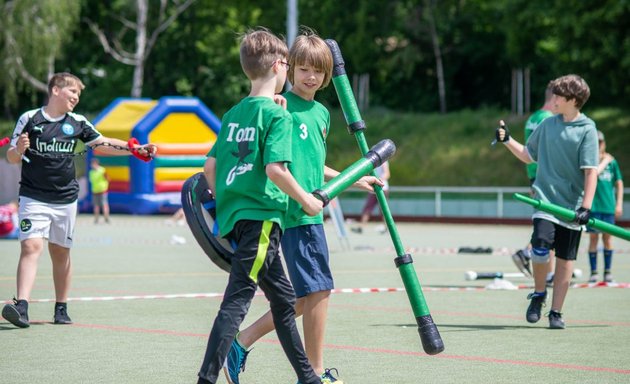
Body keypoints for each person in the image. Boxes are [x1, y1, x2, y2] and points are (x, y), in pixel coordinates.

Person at [223, 28, 382, 384]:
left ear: (328, 76)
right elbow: (279, 163)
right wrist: (304, 200)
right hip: (296, 212)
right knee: (319, 291)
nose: (311, 77)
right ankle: (314, 373)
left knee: (304, 295)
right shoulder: (282, 107)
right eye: (304, 69)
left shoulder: (322, 114)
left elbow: (313, 163)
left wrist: (354, 179)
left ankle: (241, 341)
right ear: (290, 68)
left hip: (314, 210)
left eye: (319, 71)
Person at [197, 28, 325, 384]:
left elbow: (210, 168)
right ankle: (206, 379)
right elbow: (275, 169)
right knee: (237, 303)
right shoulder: (278, 116)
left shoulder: (233, 114)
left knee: (284, 301)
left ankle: (308, 377)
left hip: (235, 218)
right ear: (282, 65)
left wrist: (229, 203)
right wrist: (308, 201)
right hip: (264, 218)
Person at [1, 72, 156, 329]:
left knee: (60, 252)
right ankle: (22, 307)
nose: (76, 97)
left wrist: (134, 148)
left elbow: (102, 143)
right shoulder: (29, 118)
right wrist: (19, 149)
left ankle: (61, 307)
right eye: (72, 92)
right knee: (31, 247)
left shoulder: (78, 122)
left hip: (65, 200)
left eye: (78, 94)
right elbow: (10, 157)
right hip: (33, 197)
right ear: (55, 90)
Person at [495, 74, 598, 329]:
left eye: (558, 96)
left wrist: (585, 207)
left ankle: (556, 312)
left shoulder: (587, 130)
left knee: (565, 260)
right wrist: (507, 140)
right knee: (540, 246)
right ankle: (539, 294)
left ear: (573, 100)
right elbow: (529, 156)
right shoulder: (547, 124)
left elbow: (590, 172)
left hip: (572, 207)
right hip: (545, 203)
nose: (552, 100)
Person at [511, 83, 556, 284]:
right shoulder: (549, 119)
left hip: (533, 174)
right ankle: (528, 253)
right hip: (546, 174)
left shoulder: (533, 117)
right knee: (552, 220)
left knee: (548, 219)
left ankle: (549, 272)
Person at [586, 130, 624, 283]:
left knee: (608, 239)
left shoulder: (612, 162)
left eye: (601, 142)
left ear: (604, 143)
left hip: (608, 206)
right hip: (593, 206)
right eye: (596, 142)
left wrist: (619, 203)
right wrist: (604, 161)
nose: (599, 145)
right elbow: (593, 175)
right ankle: (593, 272)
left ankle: (607, 271)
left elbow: (619, 183)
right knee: (593, 239)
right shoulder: (589, 160)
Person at [351, 160, 390, 234]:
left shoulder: (384, 161)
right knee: (367, 208)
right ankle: (361, 228)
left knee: (383, 210)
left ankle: (387, 228)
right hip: (373, 189)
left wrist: (378, 180)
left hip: (382, 189)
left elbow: (387, 174)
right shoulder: (372, 162)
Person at [88, 157, 110, 224]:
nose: (92, 165)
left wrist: (105, 186)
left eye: (93, 163)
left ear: (96, 163)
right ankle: (96, 219)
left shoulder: (102, 170)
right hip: (95, 191)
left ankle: (106, 218)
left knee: (104, 205)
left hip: (103, 190)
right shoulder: (91, 172)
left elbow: (108, 178)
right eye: (91, 164)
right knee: (96, 206)